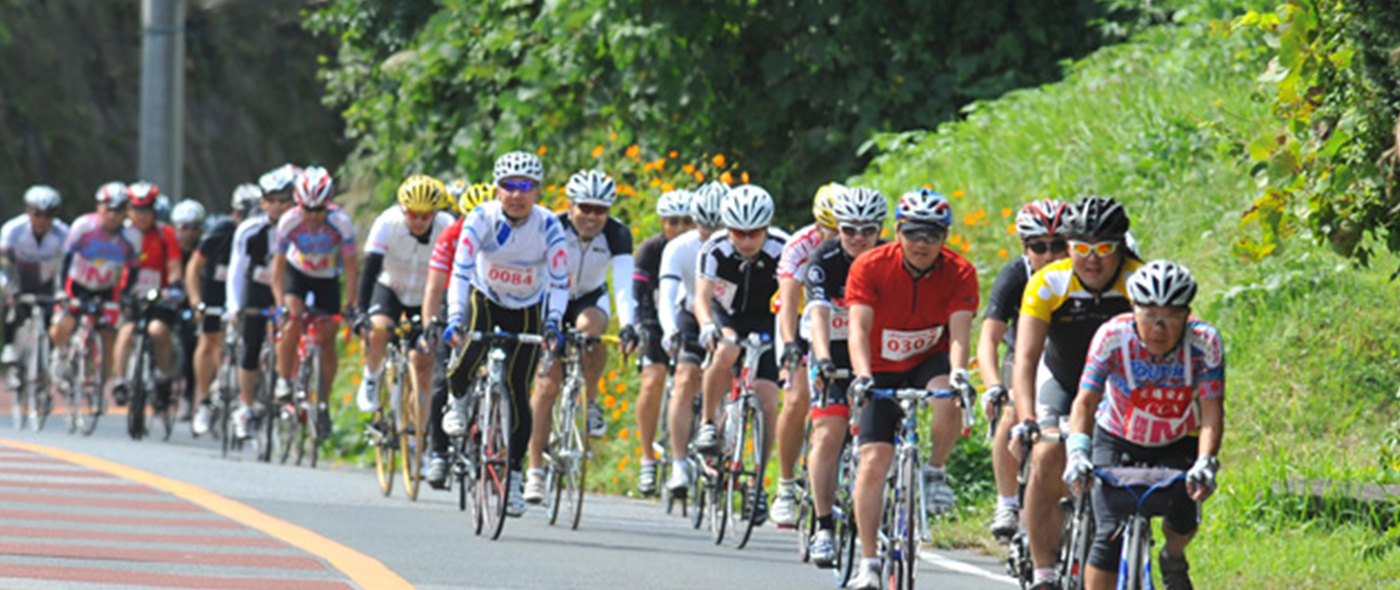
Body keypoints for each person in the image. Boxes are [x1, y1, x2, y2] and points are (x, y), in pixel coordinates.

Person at [844, 188, 979, 590]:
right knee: (872, 461)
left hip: (928, 360)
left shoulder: (959, 271)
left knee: (947, 398)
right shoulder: (870, 266)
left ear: (945, 237)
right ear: (899, 232)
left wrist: (959, 375)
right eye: (914, 233)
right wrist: (862, 376)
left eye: (933, 235)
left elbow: (959, 335)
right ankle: (868, 563)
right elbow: (858, 328)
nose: (923, 243)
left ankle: (934, 471)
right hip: (879, 366)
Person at [1062, 261, 1222, 590]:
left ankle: (1173, 557)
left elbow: (1211, 411)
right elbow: (1086, 402)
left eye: (1171, 316)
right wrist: (1078, 452)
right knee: (1108, 534)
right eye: (1149, 314)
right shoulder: (1111, 335)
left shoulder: (1205, 342)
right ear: (1133, 308)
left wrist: (1206, 461)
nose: (1159, 327)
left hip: (1178, 439)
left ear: (1187, 314)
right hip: (1117, 435)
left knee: (1182, 519)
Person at [1010, 196, 1141, 590]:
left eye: (1104, 249)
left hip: (1115, 388)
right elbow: (1027, 359)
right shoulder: (1049, 281)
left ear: (1121, 248)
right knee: (1048, 451)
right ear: (1068, 248)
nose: (1093, 260)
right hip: (1062, 379)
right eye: (1082, 249)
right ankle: (1045, 569)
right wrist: (1027, 419)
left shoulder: (1138, 280)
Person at [442, 151, 568, 517]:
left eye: (525, 187)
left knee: (517, 389)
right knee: (468, 354)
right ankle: (460, 399)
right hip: (486, 295)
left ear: (538, 191)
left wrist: (553, 324)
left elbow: (560, 281)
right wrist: (455, 317)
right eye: (509, 186)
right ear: (497, 190)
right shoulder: (480, 218)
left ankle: (512, 476)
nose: (517, 194)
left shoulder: (549, 227)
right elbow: (461, 272)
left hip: (528, 305)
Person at [524, 169, 638, 503]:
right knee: (546, 387)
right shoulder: (551, 227)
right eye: (584, 208)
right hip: (548, 300)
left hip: (589, 296)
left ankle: (589, 400)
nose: (591, 216)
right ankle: (533, 471)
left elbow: (623, 283)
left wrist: (629, 324)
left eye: (600, 210)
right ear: (570, 206)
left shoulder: (617, 235)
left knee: (592, 330)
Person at [691, 184, 788, 524]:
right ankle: (707, 424)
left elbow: (792, 300)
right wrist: (706, 325)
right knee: (727, 348)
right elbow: (702, 298)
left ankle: (759, 481)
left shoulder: (782, 247)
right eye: (738, 232)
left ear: (767, 228)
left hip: (767, 317)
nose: (746, 240)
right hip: (726, 313)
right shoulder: (714, 248)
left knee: (768, 395)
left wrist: (791, 343)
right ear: (727, 228)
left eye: (754, 233)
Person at [802, 186, 886, 566]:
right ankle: (822, 527)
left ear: (880, 230)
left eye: (867, 231)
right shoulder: (824, 259)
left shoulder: (890, 259)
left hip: (873, 352)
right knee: (829, 431)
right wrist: (820, 358)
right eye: (849, 229)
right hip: (832, 351)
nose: (857, 238)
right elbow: (818, 315)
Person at [978, 198, 1071, 539]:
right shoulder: (1015, 275)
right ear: (1024, 247)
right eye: (1038, 247)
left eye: (1059, 245)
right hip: (1025, 358)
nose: (1050, 255)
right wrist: (991, 386)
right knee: (1014, 407)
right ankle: (1007, 502)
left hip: (1067, 361)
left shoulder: (1081, 274)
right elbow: (988, 339)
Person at [770, 183, 842, 526]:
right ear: (818, 226)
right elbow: (786, 304)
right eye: (831, 229)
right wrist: (789, 345)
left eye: (844, 228)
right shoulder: (799, 246)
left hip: (840, 321)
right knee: (797, 398)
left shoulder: (861, 244)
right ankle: (785, 486)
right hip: (800, 319)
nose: (840, 236)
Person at [354, 175, 453, 418]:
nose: (419, 221)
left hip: (426, 295)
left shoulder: (446, 225)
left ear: (435, 213)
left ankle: (416, 433)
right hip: (391, 287)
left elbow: (454, 275)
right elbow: (369, 270)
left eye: (426, 216)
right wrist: (361, 312)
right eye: (413, 215)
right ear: (403, 210)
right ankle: (371, 376)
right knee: (378, 329)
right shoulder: (387, 222)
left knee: (423, 359)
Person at [271, 166, 359, 437]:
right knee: (294, 319)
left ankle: (322, 403)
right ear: (298, 205)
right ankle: (284, 380)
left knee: (326, 339)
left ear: (328, 206)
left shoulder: (341, 223)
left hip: (327, 278)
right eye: (307, 209)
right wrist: (280, 304)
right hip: (297, 274)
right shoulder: (289, 221)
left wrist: (350, 303)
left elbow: (352, 267)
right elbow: (277, 267)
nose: (312, 216)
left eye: (318, 210)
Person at [422, 181, 494, 488]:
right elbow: (435, 286)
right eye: (467, 219)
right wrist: (430, 325)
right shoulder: (451, 235)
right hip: (454, 302)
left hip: (491, 302)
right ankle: (439, 454)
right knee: (443, 379)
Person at [660, 181, 728, 495]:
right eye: (704, 227)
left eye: (719, 227)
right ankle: (678, 463)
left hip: (729, 315)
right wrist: (670, 330)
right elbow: (668, 295)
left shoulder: (740, 242)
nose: (712, 235)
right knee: (686, 378)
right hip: (690, 312)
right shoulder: (679, 247)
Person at [224, 165, 298, 439]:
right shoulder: (249, 230)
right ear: (263, 202)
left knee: (293, 333)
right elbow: (236, 269)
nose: (277, 207)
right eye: (272, 200)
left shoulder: (301, 227)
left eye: (284, 200)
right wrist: (235, 306)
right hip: (257, 290)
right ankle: (245, 407)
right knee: (251, 347)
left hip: (288, 287)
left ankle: (287, 384)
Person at [628, 189, 694, 495]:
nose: (680, 228)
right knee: (652, 380)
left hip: (688, 318)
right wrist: (638, 328)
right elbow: (636, 296)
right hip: (653, 317)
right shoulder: (650, 250)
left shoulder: (699, 247)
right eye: (673, 222)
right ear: (662, 222)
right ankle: (647, 458)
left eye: (686, 221)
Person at [49, 182, 141, 401]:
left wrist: (126, 294)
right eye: (107, 207)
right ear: (98, 207)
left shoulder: (132, 235)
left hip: (107, 289)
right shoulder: (83, 226)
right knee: (62, 325)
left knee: (108, 335)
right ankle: (60, 354)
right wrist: (63, 290)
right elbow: (66, 260)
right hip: (77, 284)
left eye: (119, 209)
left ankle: (100, 383)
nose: (112, 214)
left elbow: (134, 269)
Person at [189, 185, 262, 435]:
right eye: (244, 214)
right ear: (235, 214)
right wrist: (196, 300)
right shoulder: (221, 230)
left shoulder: (261, 231)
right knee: (209, 342)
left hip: (245, 288)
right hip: (215, 289)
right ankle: (203, 401)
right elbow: (194, 266)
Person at [111, 182, 185, 411]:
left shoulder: (166, 234)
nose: (141, 216)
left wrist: (174, 286)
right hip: (131, 294)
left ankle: (162, 376)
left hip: (158, 295)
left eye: (146, 210)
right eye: (136, 210)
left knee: (157, 330)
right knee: (126, 332)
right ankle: (121, 381)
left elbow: (174, 265)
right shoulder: (121, 233)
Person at [2, 186, 69, 371]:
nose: (42, 220)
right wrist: (12, 289)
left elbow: (66, 266)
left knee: (53, 313)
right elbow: (6, 261)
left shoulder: (62, 233)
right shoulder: (13, 229)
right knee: (5, 295)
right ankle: (8, 343)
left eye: (48, 215)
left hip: (45, 278)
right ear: (27, 211)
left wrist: (62, 289)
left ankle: (50, 360)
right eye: (37, 214)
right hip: (16, 275)